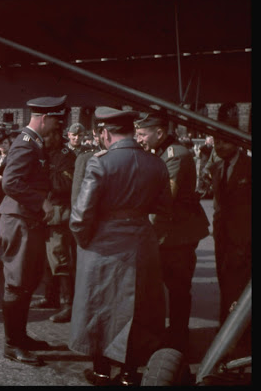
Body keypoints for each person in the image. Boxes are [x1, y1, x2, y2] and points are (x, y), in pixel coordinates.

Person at [69, 107, 173, 386]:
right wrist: (149, 236)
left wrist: (86, 243)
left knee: (100, 307)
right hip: (142, 242)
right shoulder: (156, 163)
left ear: (104, 133)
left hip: (103, 244)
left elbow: (80, 217)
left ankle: (102, 372)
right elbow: (164, 211)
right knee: (138, 309)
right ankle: (129, 373)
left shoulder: (99, 162)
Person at [0, 96, 66, 366]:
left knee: (26, 282)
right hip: (19, 221)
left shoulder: (33, 143)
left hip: (27, 220)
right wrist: (42, 201)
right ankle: (11, 344)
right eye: (56, 120)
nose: (57, 125)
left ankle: (20, 336)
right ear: (44, 118)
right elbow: (10, 183)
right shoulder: (26, 144)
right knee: (17, 283)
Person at [134, 111, 210, 354]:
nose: (139, 139)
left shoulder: (176, 155)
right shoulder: (158, 152)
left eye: (143, 134)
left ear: (159, 132)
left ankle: (178, 337)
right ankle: (166, 334)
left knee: (178, 287)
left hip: (179, 234)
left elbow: (166, 196)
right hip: (166, 232)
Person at [209, 103, 251, 326]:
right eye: (216, 142)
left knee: (243, 289)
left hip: (246, 243)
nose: (219, 146)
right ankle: (226, 328)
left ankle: (240, 333)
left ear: (236, 141)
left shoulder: (249, 167)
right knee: (225, 285)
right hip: (223, 242)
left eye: (224, 141)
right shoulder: (216, 170)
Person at [37, 113, 77, 323]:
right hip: (46, 213)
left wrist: (41, 178)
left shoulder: (67, 156)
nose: (44, 140)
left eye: (46, 136)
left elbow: (64, 184)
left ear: (56, 134)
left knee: (60, 259)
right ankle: (50, 296)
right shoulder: (46, 153)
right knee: (47, 259)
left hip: (60, 214)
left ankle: (67, 304)